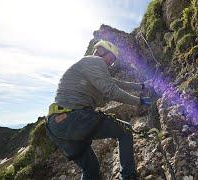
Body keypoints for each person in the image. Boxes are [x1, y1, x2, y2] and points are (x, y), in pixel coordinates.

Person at [45, 39, 152, 180]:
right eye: (111, 58)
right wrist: (139, 101)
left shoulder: (88, 66)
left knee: (91, 169)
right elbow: (111, 91)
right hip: (73, 118)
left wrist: (141, 86)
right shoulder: (96, 61)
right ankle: (128, 176)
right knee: (125, 131)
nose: (111, 63)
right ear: (102, 51)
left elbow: (115, 83)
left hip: (56, 126)